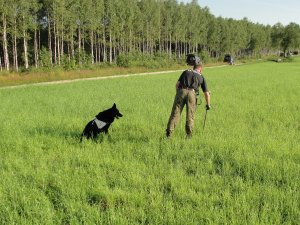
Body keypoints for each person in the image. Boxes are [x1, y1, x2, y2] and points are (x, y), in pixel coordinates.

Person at [166, 54, 211, 138]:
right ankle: (188, 135)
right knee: (190, 115)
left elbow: (177, 84)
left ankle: (169, 133)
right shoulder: (201, 76)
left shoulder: (186, 72)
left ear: (193, 67)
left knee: (175, 113)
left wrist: (178, 94)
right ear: (200, 68)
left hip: (181, 91)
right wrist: (208, 105)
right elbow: (206, 93)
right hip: (192, 94)